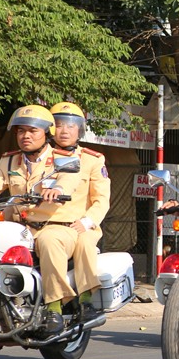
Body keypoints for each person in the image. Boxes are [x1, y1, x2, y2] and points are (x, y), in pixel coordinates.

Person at [0, 105, 93, 333]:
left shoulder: (63, 158)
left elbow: (69, 178)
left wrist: (57, 189)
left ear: (47, 133)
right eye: (21, 131)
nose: (25, 136)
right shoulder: (9, 161)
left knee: (48, 241)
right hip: (19, 225)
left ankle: (54, 308)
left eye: (32, 131)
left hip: (57, 226)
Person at [48, 102, 111, 323]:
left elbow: (101, 200)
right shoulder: (39, 157)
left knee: (84, 243)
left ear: (79, 130)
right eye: (58, 125)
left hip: (79, 224)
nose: (64, 130)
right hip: (45, 223)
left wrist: (87, 221)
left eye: (70, 126)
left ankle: (85, 302)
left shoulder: (92, 160)